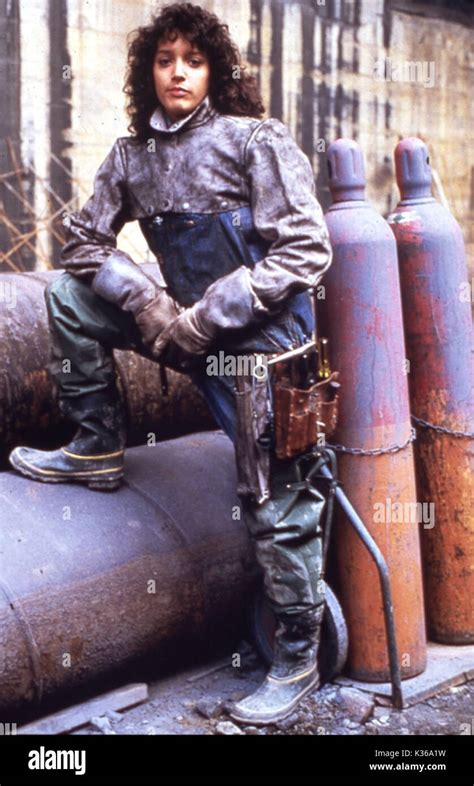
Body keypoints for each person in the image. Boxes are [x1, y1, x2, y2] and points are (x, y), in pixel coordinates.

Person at [9, 2, 332, 725]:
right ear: (147, 72)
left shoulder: (255, 141)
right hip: (181, 332)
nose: (177, 72)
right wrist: (150, 306)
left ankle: (297, 657)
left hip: (261, 349)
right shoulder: (132, 158)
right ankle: (97, 447)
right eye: (164, 60)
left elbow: (308, 251)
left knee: (276, 504)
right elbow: (83, 243)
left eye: (193, 59)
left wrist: (208, 316)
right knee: (69, 296)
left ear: (213, 69)